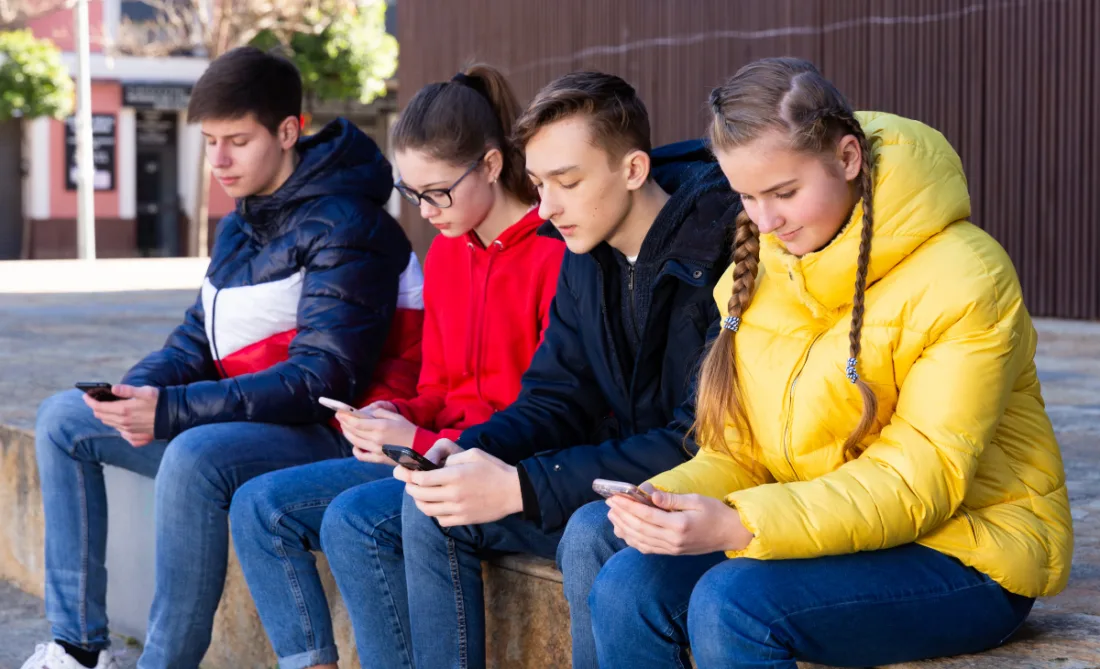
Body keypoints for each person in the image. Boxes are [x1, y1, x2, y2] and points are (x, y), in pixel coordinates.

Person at [582, 57, 1073, 669]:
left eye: (785, 193)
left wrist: (740, 524)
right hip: (826, 524)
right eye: (746, 196)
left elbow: (919, 480)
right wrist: (667, 500)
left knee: (734, 602)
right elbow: (741, 454)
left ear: (847, 158)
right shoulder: (757, 268)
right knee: (629, 581)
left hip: (968, 550)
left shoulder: (965, 277)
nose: (766, 221)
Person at [22, 46, 422, 669]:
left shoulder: (349, 224)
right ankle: (77, 648)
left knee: (192, 453)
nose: (219, 160)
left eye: (236, 140)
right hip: (254, 426)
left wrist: (174, 411)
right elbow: (196, 340)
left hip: (334, 436)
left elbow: (323, 378)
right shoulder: (242, 223)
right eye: (209, 141)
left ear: (288, 131)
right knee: (64, 418)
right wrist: (138, 394)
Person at [325, 70, 742, 669]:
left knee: (590, 531)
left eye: (566, 182)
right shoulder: (585, 251)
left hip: (692, 493)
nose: (546, 208)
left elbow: (696, 440)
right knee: (436, 505)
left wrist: (521, 485)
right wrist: (466, 452)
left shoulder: (720, 255)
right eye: (540, 183)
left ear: (633, 170)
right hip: (605, 478)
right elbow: (555, 397)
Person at [228, 63, 565, 669]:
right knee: (260, 505)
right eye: (412, 194)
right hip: (428, 457)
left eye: (438, 192)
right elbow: (437, 386)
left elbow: (544, 413)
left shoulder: (552, 255)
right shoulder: (445, 255)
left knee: (355, 521)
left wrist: (419, 438)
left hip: (495, 467)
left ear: (490, 165)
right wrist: (390, 415)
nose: (426, 210)